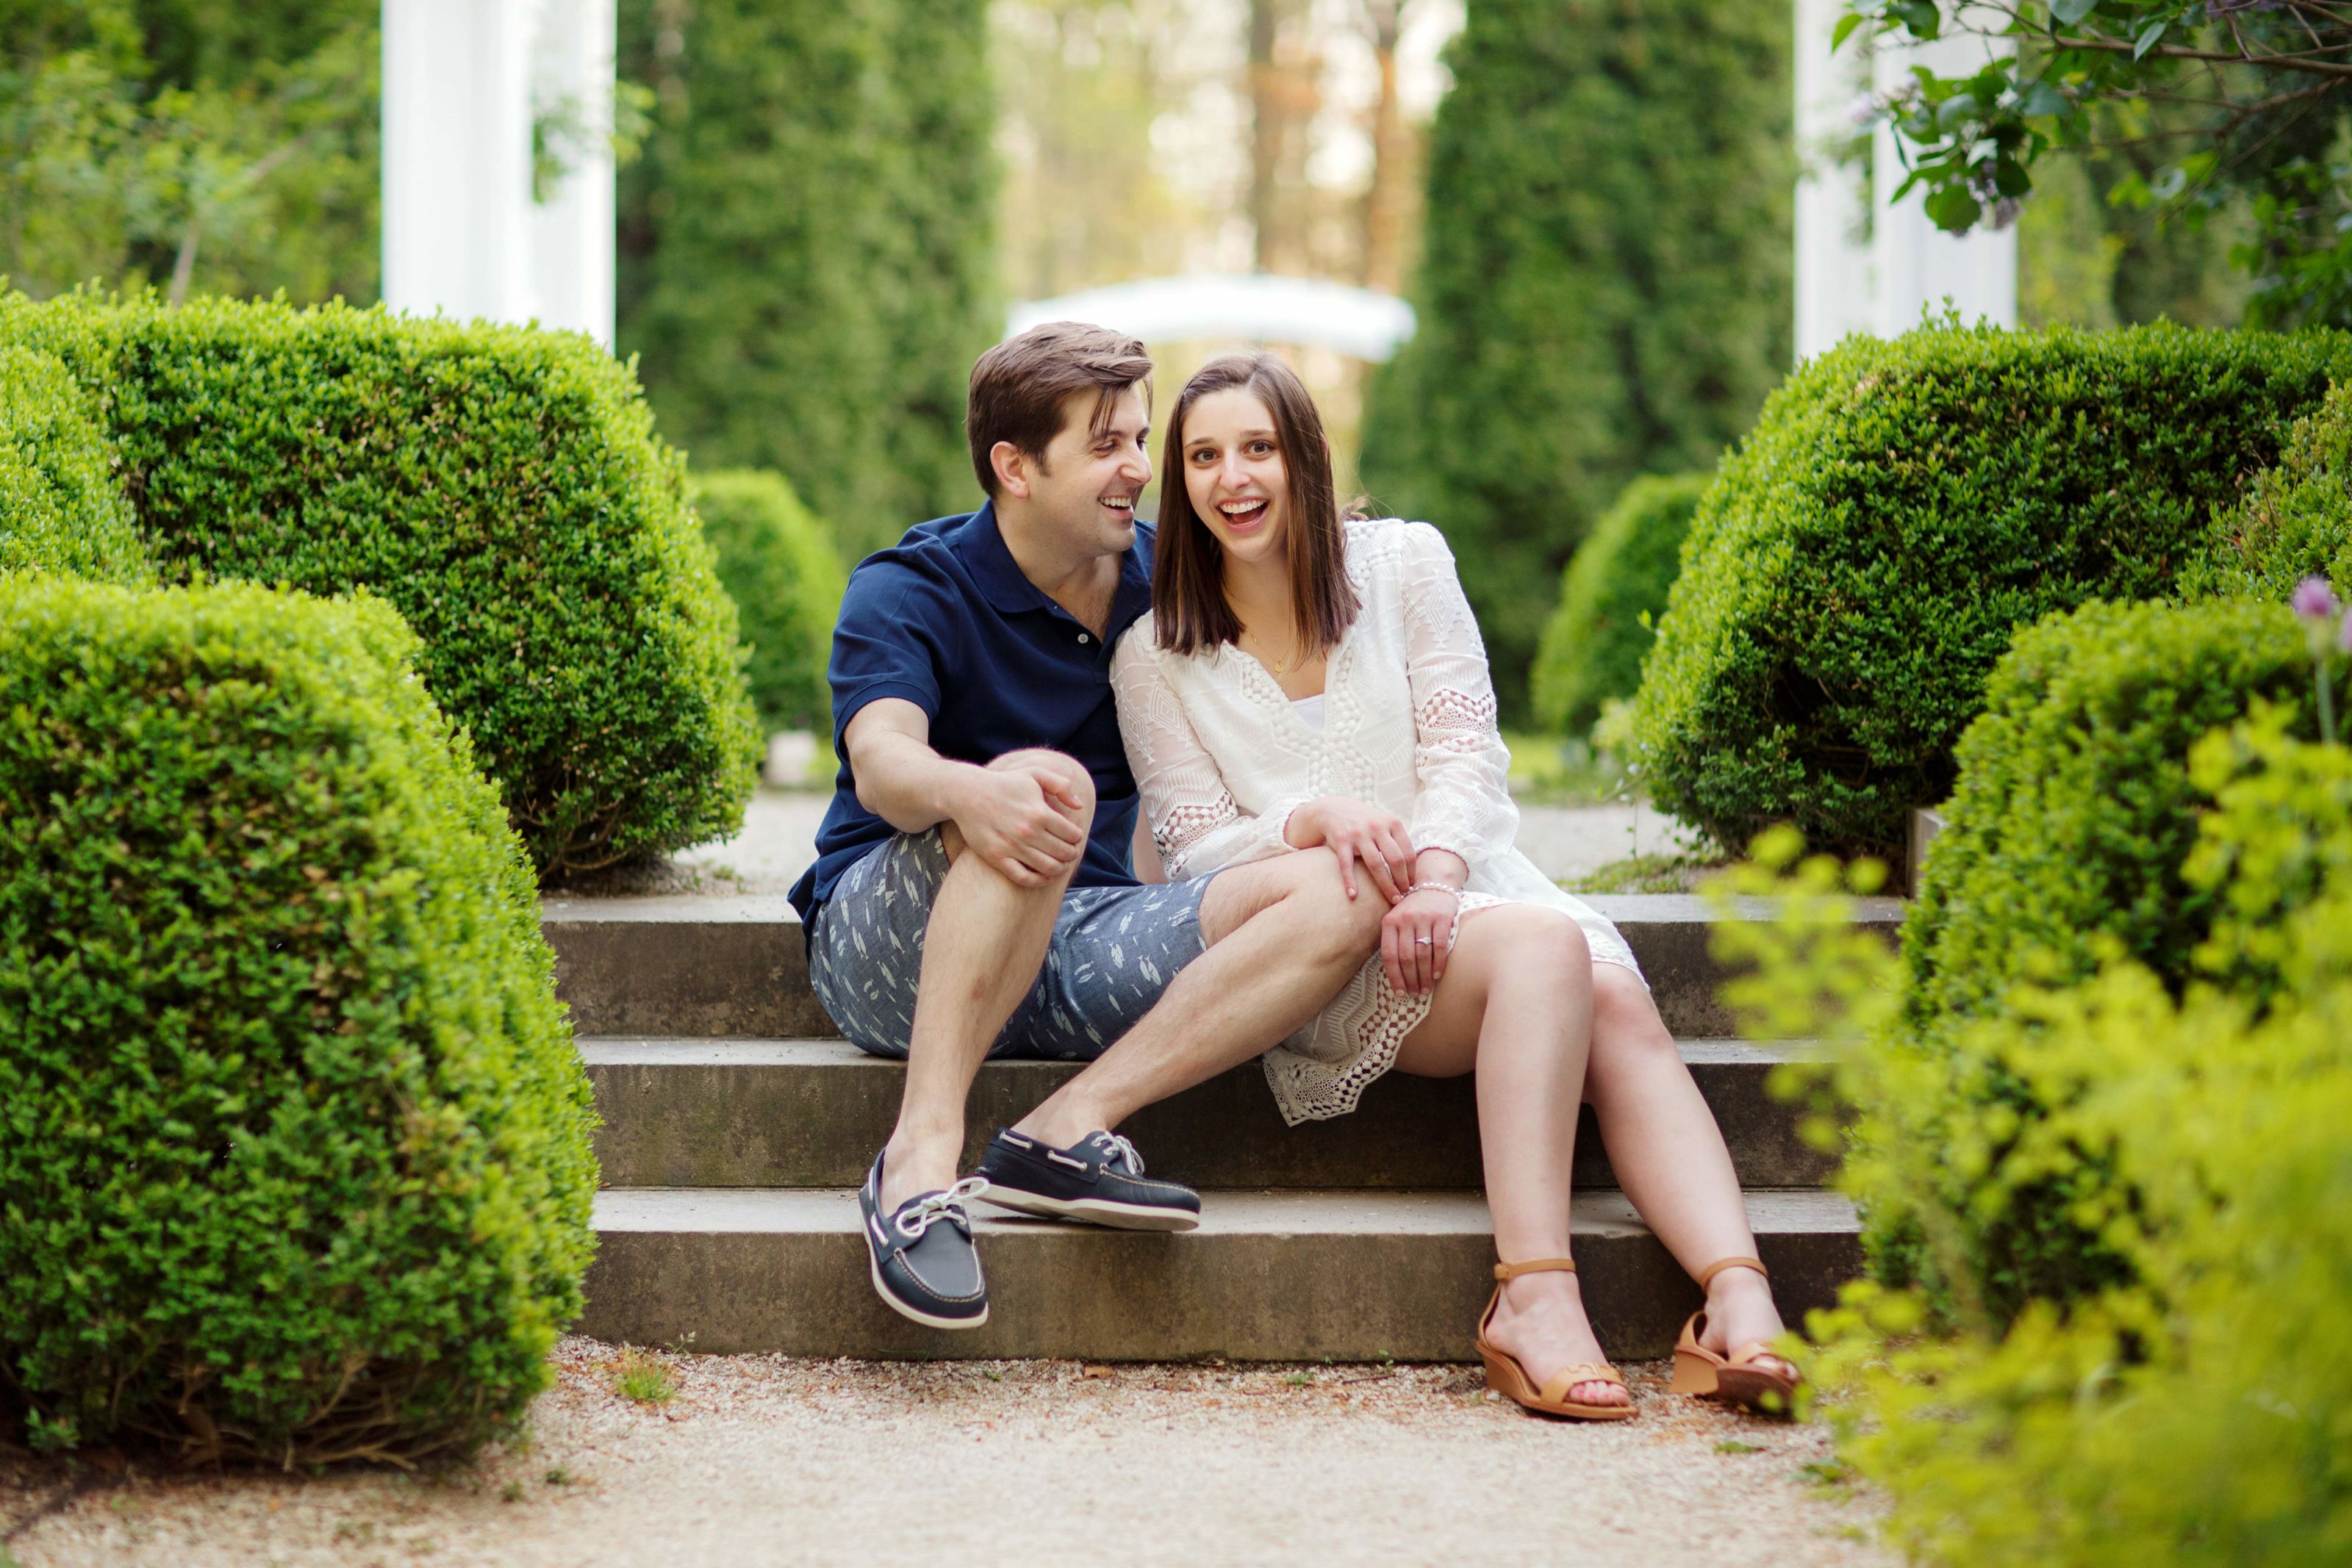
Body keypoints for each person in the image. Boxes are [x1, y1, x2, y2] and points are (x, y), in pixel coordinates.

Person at [1108, 351, 1803, 1420]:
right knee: (1546, 947)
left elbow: (1464, 748)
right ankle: (1533, 1295)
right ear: (1180, 479)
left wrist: (1435, 878)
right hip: (1319, 949)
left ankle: (1737, 1297)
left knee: (1608, 992)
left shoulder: (1403, 563)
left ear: (1306, 457)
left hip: (1465, 885)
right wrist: (1307, 821)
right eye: (1203, 456)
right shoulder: (1154, 654)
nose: (1232, 478)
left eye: (1258, 448)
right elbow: (1198, 849)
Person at [788, 323, 1385, 1332]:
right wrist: (974, 793)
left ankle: (1060, 1131)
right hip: (892, 946)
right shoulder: (910, 586)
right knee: (1044, 791)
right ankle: (918, 1160)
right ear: (1015, 467)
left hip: (1084, 934)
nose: (1139, 470)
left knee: (1342, 886)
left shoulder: (1171, 578)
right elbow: (885, 763)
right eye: (1107, 445)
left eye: (1141, 440)